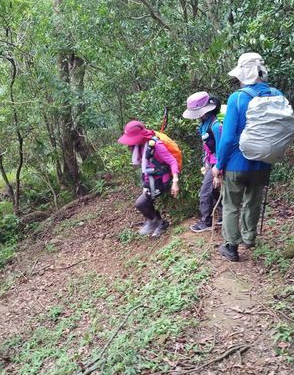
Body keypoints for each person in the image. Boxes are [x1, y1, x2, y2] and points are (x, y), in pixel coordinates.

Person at [212, 53, 276, 262]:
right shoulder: (275, 94)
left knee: (231, 205)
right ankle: (249, 237)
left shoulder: (237, 98)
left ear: (244, 74)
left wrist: (218, 165)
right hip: (263, 162)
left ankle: (231, 247)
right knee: (253, 201)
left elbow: (228, 137)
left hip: (236, 164)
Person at [118, 120, 180, 237]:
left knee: (141, 203)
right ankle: (154, 221)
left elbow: (172, 161)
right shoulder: (141, 146)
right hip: (150, 181)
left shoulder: (156, 145)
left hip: (161, 181)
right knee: (146, 202)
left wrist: (175, 182)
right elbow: (145, 166)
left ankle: (159, 223)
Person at [183, 91, 223, 233]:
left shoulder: (215, 126)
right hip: (210, 163)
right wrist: (205, 164)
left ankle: (206, 221)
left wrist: (218, 172)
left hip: (217, 165)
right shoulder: (204, 124)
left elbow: (220, 148)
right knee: (211, 190)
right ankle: (223, 214)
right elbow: (206, 147)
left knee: (205, 192)